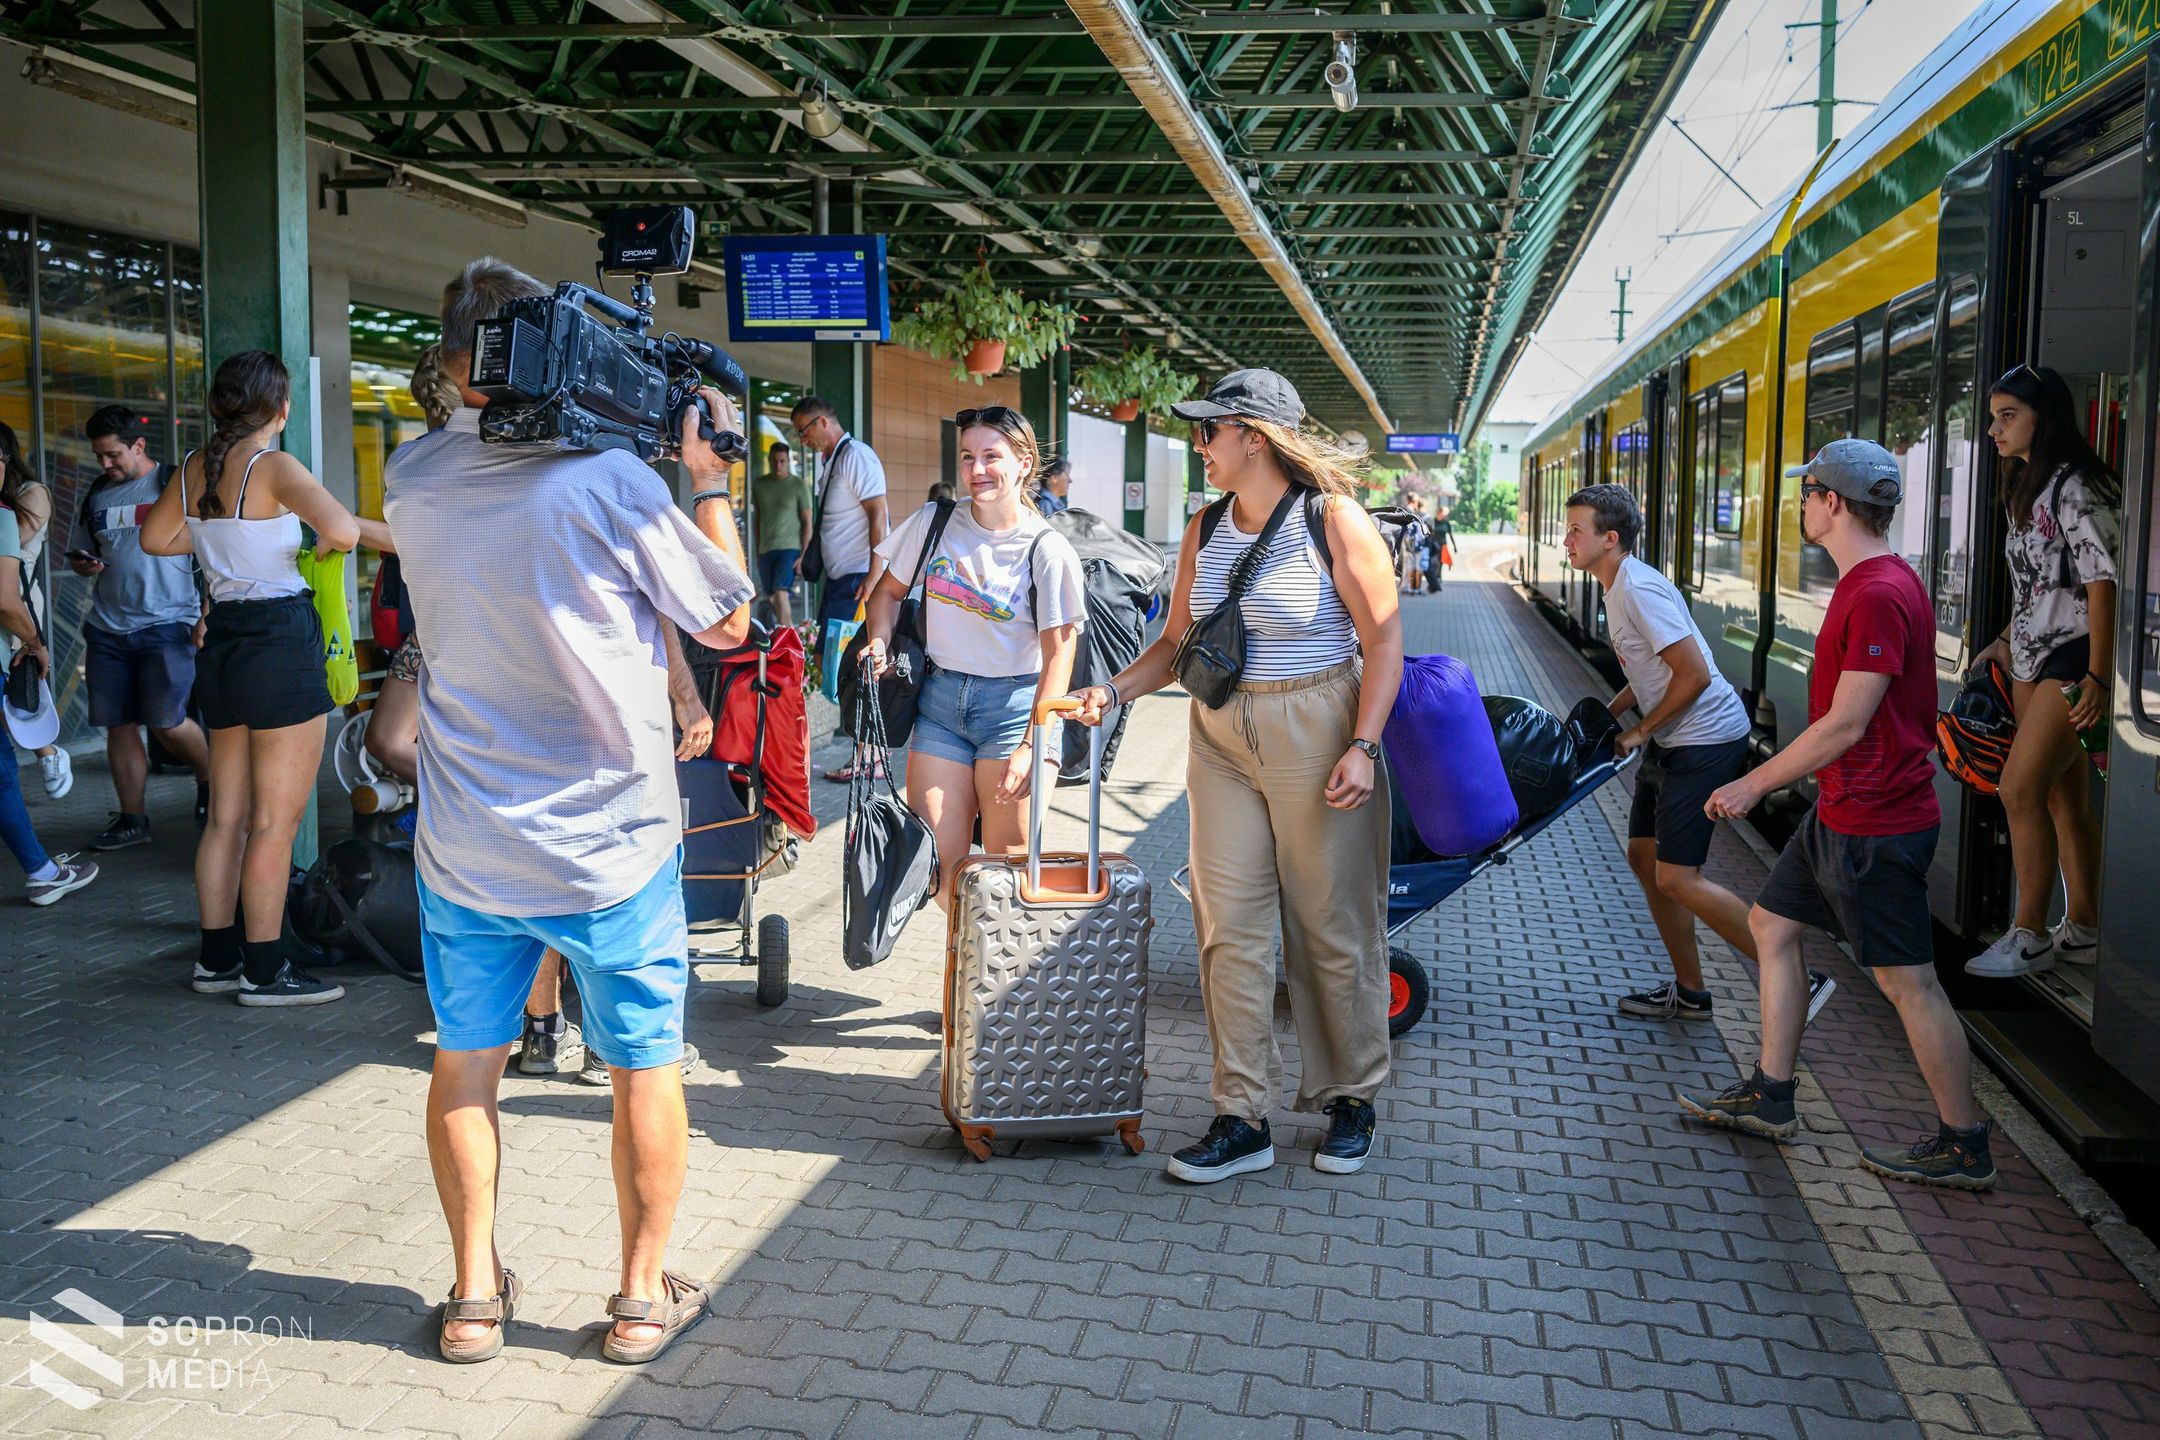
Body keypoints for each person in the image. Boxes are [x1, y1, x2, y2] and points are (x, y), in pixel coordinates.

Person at [386, 257, 753, 1367]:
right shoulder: (608, 484)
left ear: (457, 364)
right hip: (610, 844)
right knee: (645, 1065)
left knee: (468, 1059)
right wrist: (706, 476)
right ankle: (642, 1302)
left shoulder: (414, 476)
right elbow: (729, 619)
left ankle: (471, 1300)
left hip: (466, 841)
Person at [1070, 369, 1403, 1183]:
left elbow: (1386, 641)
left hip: (1317, 726)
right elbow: (1177, 642)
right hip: (1218, 735)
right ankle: (1239, 1114)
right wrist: (1112, 691)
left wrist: (1363, 744)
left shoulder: (1333, 520)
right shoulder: (1204, 526)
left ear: (1254, 436)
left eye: (1209, 430)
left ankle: (1349, 1097)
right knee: (1230, 930)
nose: (1199, 444)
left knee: (1332, 925)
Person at [1685, 438, 1993, 1191]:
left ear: (1831, 501)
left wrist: (1753, 783)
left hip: (1878, 820)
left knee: (1909, 984)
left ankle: (1965, 1142)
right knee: (1770, 924)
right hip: (1843, 810)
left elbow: (1848, 723)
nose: (1799, 504)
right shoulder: (1873, 582)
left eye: (1807, 491)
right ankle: (1773, 1093)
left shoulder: (1879, 591)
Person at [139, 350, 385, 1006]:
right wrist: (296, 543)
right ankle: (265, 970)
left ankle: (217, 960)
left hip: (222, 646)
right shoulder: (273, 465)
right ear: (278, 409)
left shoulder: (196, 466)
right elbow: (339, 530)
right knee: (275, 822)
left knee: (226, 818)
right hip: (278, 643)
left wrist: (227, 541)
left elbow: (158, 541)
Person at [1561, 483, 1834, 1025]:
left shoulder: (1638, 590)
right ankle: (1690, 993)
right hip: (1674, 738)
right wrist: (1611, 715)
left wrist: (1638, 735)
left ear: (1609, 539)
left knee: (1678, 877)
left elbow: (1695, 675)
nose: (1565, 539)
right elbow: (1650, 675)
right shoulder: (1616, 585)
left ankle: (1799, 979)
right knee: (1645, 858)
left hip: (1705, 740)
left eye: (1575, 530)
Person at [859, 406, 1086, 907]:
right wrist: (879, 640)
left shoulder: (1046, 550)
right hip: (939, 705)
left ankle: (1008, 983)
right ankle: (967, 976)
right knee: (939, 872)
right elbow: (886, 595)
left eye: (991, 456)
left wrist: (1034, 742)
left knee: (1009, 871)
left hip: (1017, 711)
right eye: (968, 457)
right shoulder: (936, 522)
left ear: (1025, 462)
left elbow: (1059, 658)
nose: (977, 469)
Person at [1964, 364, 2120, 978]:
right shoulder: (2028, 484)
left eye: (2009, 416)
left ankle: (2027, 933)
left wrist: (2101, 678)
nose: (1995, 429)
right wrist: (2003, 640)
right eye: (1994, 416)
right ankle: (2083, 926)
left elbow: (2101, 583)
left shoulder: (2078, 486)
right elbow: (2032, 585)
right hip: (2030, 655)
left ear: (2042, 417)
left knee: (2018, 788)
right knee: (2062, 797)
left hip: (2073, 657)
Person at [69, 405, 211, 850]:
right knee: (119, 723)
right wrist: (83, 565)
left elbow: (211, 551)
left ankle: (211, 782)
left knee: (167, 721)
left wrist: (207, 613)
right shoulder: (97, 493)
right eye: (99, 456)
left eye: (113, 454)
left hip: (169, 622)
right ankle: (132, 819)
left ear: (139, 445)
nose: (106, 464)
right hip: (108, 626)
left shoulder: (175, 484)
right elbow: (86, 550)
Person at [362, 343, 461, 790]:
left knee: (385, 739)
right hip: (494, 618)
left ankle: (466, 809)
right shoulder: (512, 456)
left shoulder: (413, 460)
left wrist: (345, 525)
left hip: (442, 621)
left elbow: (419, 543)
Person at [1, 487, 98, 904]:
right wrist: (35, 644)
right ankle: (43, 872)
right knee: (2, 775)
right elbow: (6, 600)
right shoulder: (5, 511)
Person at [1, 422, 70, 797]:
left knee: (18, 685)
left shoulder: (33, 492)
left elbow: (13, 537)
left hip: (18, 601)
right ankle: (44, 750)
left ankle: (48, 750)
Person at [793, 395, 888, 646]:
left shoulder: (856, 455)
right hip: (839, 578)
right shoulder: (831, 460)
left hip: (858, 578)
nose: (803, 442)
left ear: (822, 421)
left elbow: (878, 512)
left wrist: (875, 572)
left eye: (804, 432)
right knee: (826, 655)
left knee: (839, 660)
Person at [751, 442, 812, 629]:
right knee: (771, 596)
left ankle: (788, 641)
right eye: (775, 461)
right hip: (766, 550)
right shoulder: (759, 485)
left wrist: (803, 555)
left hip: (789, 548)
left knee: (780, 592)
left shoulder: (798, 485)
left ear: (788, 461)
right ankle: (789, 633)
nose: (778, 465)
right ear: (769, 460)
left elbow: (808, 521)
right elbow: (757, 518)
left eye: (782, 461)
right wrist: (758, 550)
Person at [1425, 503, 1455, 594]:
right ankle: (1432, 583)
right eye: (1445, 513)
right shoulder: (1432, 521)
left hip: (1443, 546)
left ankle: (1438, 580)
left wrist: (1454, 546)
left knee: (1440, 564)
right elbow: (1428, 533)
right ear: (1440, 512)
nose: (1446, 515)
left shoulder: (1446, 523)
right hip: (1433, 546)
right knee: (1433, 564)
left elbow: (1450, 535)